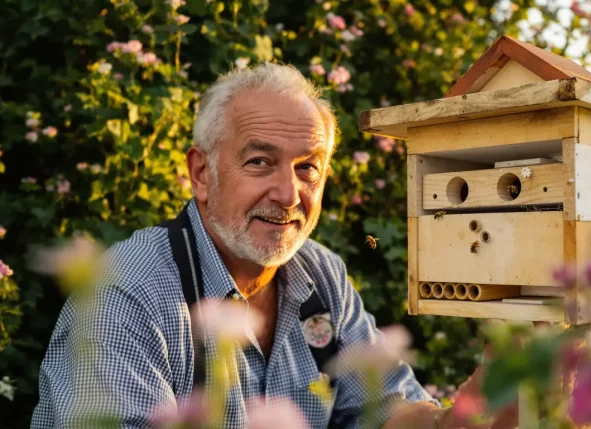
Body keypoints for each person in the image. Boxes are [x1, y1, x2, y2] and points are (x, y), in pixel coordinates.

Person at [31, 63, 514, 429]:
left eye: (308, 167)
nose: (288, 194)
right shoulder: (130, 296)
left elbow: (385, 411)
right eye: (261, 161)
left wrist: (499, 381)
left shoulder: (318, 275)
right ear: (202, 173)